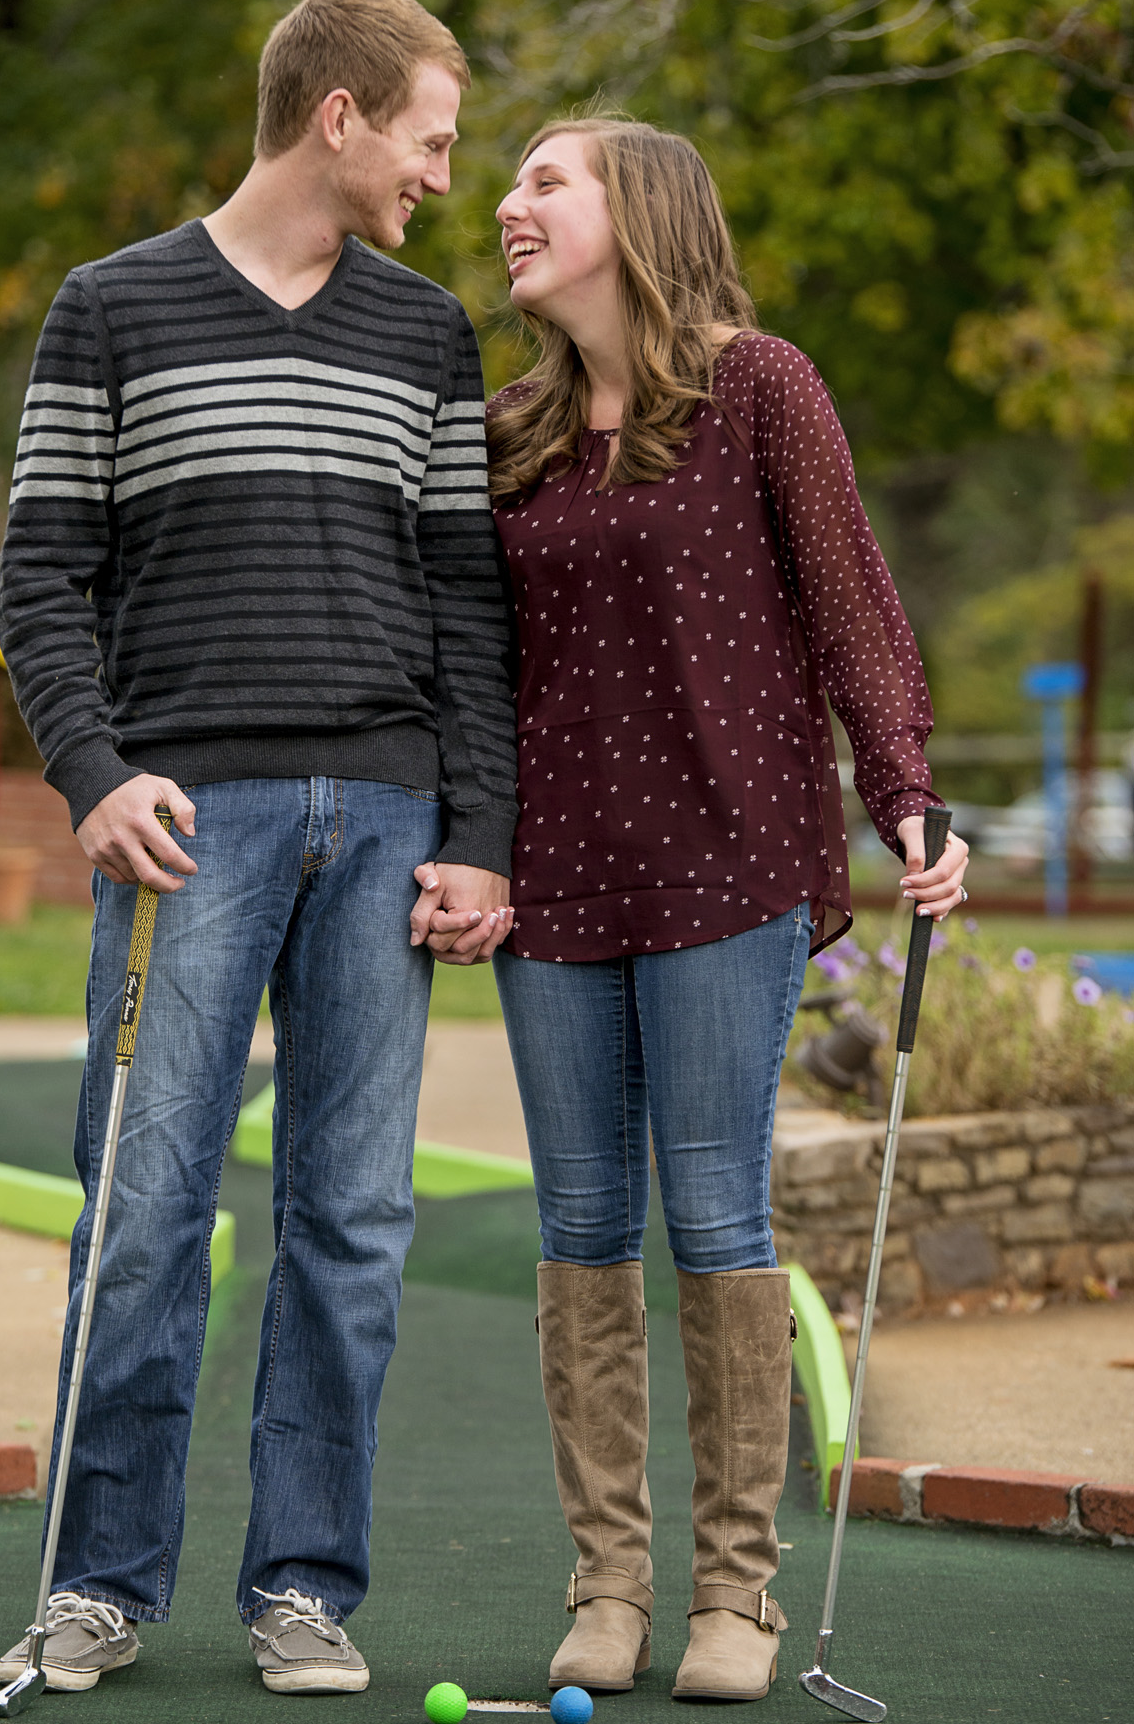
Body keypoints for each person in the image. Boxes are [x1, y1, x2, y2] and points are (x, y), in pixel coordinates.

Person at [0, 0, 518, 1699]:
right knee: (143, 1211)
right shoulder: (108, 310)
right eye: (432, 137)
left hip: (385, 827)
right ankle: (98, 1584)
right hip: (184, 832)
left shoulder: (426, 336)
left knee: (351, 1222)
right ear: (343, 115)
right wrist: (93, 773)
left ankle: (302, 1585)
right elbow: (44, 577)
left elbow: (464, 608)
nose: (447, 174)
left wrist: (479, 835)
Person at [483, 117, 968, 1704]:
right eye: (510, 181)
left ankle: (737, 1601)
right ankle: (609, 1586)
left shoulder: (762, 386)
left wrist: (903, 792)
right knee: (575, 1230)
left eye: (547, 181)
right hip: (557, 878)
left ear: (642, 210)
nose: (508, 204)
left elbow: (852, 603)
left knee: (715, 1214)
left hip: (728, 863)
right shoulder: (513, 432)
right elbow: (480, 670)